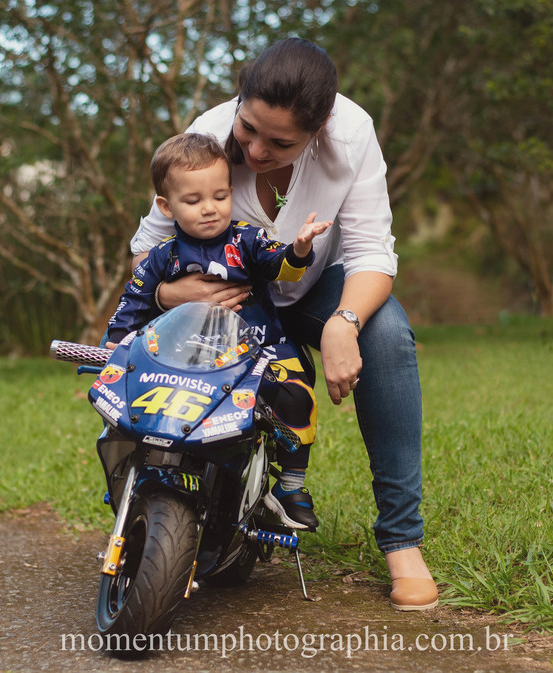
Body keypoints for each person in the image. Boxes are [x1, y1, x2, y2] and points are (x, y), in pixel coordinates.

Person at [129, 37, 438, 611]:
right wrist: (173, 292)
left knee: (389, 336)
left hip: (317, 285)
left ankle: (402, 540)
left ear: (318, 130)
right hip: (230, 296)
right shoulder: (210, 131)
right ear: (239, 101)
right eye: (248, 129)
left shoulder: (353, 136)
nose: (254, 149)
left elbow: (373, 253)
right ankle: (194, 505)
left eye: (280, 142)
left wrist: (344, 323)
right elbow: (147, 247)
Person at [107, 132, 332, 531]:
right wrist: (114, 345)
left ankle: (292, 486)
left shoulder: (248, 239)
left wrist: (297, 250)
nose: (209, 209)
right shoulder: (161, 257)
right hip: (185, 355)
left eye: (220, 196)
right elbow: (134, 301)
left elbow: (278, 265)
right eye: (193, 201)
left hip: (259, 350)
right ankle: (134, 468)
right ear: (166, 206)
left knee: (298, 394)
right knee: (132, 396)